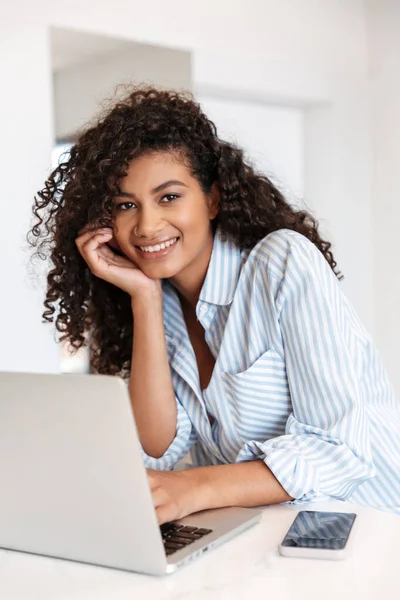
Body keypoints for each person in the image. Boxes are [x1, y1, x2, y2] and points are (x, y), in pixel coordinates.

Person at [29, 86, 400, 524]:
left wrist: (196, 487)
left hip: (369, 532)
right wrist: (145, 300)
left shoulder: (282, 264)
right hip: (268, 542)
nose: (147, 225)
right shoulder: (160, 299)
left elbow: (341, 451)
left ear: (212, 199)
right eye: (126, 205)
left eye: (169, 197)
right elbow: (159, 449)